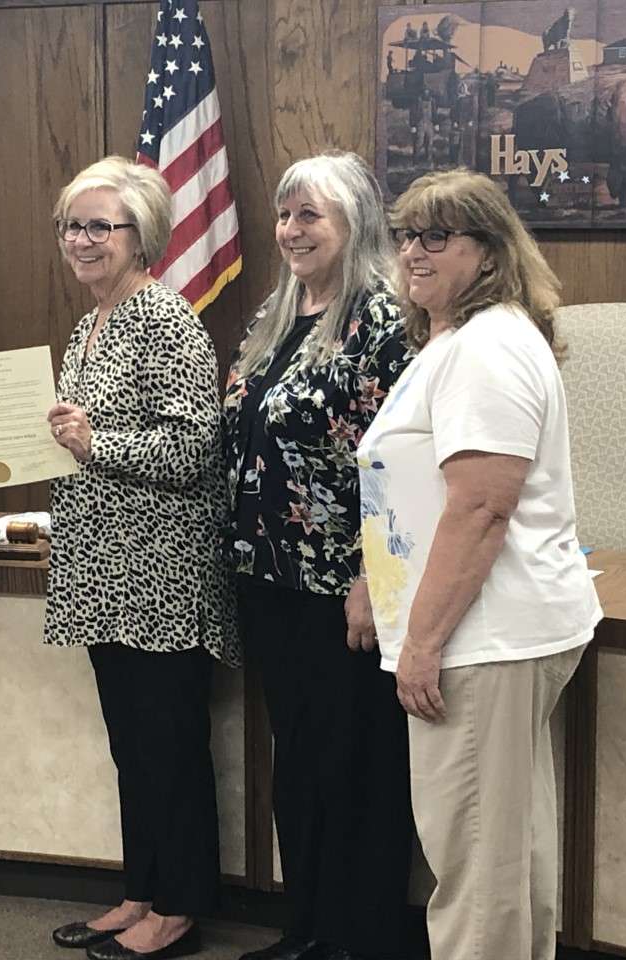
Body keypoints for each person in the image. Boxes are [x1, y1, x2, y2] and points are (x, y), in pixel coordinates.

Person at [358, 168, 601, 960]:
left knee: (473, 868)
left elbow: (481, 508)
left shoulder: (487, 348)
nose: (413, 252)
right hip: (491, 631)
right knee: (505, 854)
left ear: (489, 251)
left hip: (480, 637)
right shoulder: (464, 339)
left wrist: (421, 642)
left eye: (438, 236)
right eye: (404, 235)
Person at [43, 156, 238, 960]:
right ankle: (142, 889)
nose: (81, 241)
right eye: (71, 226)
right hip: (104, 570)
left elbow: (196, 444)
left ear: (143, 236)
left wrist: (96, 441)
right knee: (134, 743)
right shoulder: (92, 320)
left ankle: (181, 906)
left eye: (99, 226)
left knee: (169, 745)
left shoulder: (164, 316)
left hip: (161, 571)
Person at [221, 152, 414, 960]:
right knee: (297, 765)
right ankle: (305, 929)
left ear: (355, 224)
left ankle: (354, 937)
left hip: (346, 587)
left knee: (352, 769)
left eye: (312, 216)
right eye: (285, 215)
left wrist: (373, 578)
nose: (292, 230)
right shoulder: (277, 309)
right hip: (269, 579)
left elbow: (398, 460)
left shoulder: (385, 319)